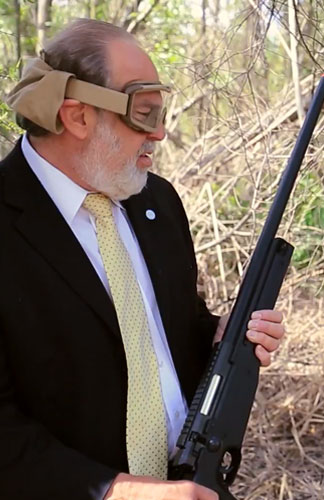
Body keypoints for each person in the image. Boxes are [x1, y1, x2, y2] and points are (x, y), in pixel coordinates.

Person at [0, 19, 286, 500]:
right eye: (144, 113)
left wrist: (223, 339)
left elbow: (171, 331)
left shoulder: (158, 202)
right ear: (78, 116)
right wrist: (119, 491)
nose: (161, 133)